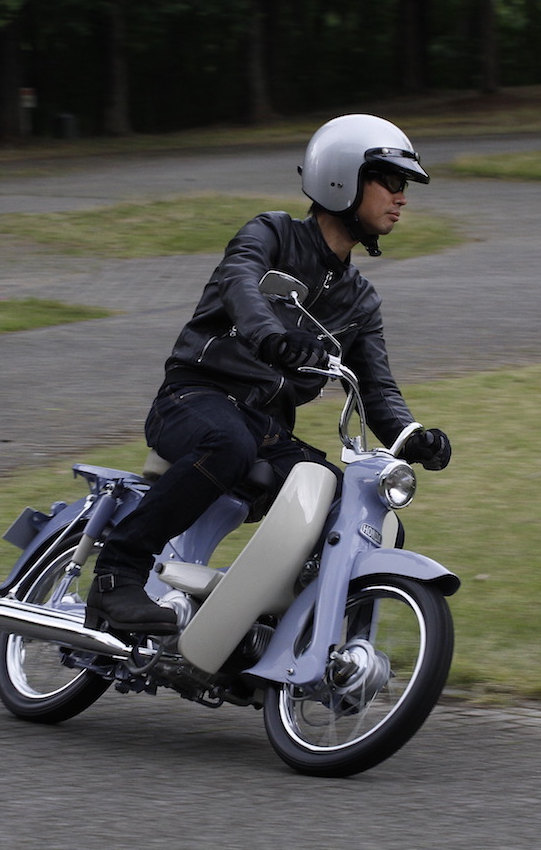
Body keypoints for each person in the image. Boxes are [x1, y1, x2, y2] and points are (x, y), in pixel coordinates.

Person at [85, 114, 453, 634]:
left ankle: (302, 636)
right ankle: (116, 577)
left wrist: (414, 438)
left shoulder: (360, 299)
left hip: (268, 428)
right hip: (195, 397)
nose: (402, 197)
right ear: (343, 179)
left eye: (404, 186)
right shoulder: (271, 234)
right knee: (227, 443)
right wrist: (268, 335)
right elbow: (242, 281)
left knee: (351, 504)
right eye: (391, 182)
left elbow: (376, 385)